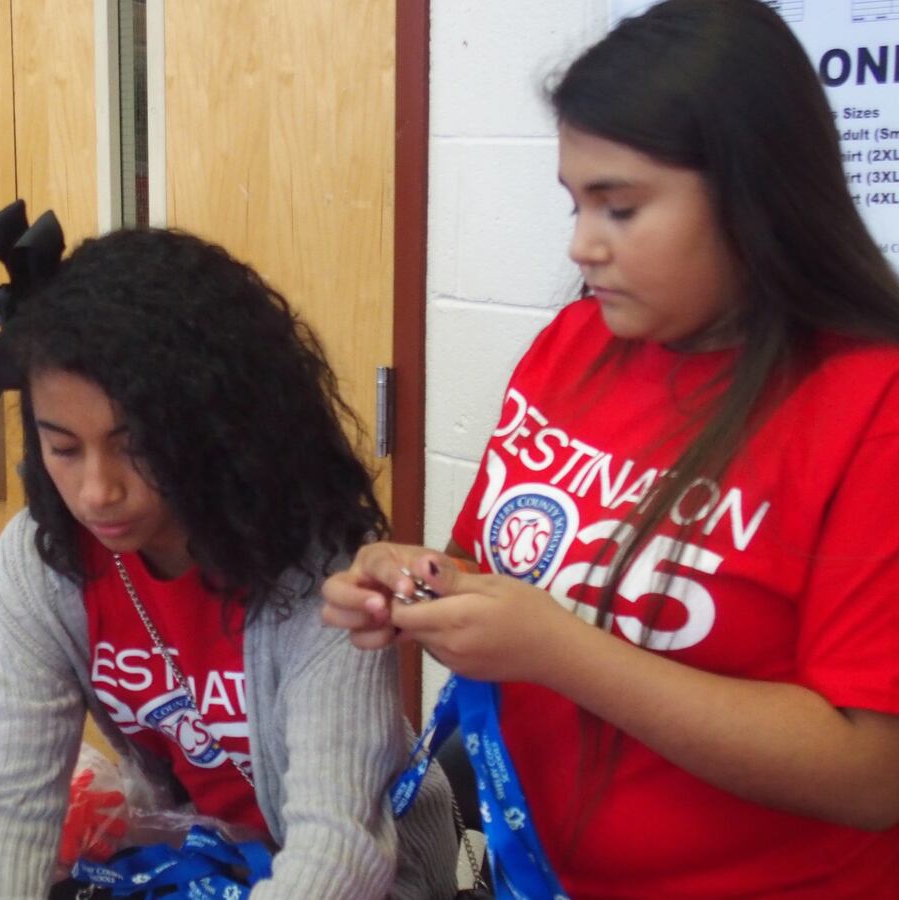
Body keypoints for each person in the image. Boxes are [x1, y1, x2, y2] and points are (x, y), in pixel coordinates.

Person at [323, 0, 899, 895]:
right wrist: (415, 581)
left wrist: (558, 652)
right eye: (574, 202)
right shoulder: (574, 345)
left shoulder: (872, 404)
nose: (582, 245)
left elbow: (873, 775)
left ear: (758, 196)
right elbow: (490, 565)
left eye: (620, 208)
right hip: (538, 870)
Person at [0, 227, 458, 898]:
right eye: (64, 448)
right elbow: (13, 810)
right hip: (204, 861)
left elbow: (340, 851)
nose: (97, 491)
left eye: (133, 445)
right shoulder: (42, 562)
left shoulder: (321, 567)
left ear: (211, 425)